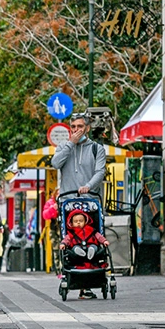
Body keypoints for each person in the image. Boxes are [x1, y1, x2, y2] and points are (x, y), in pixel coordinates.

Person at [51, 111, 107, 298]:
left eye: (80, 127)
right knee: (71, 239)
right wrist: (71, 144)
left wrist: (88, 186)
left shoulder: (96, 149)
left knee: (90, 238)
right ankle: (70, 275)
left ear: (87, 129)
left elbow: (100, 172)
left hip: (90, 202)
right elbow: (56, 163)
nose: (76, 130)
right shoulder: (63, 147)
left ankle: (89, 283)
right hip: (69, 203)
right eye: (73, 127)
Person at [59, 210, 109, 277]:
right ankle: (79, 252)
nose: (78, 223)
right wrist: (63, 244)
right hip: (77, 248)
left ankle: (91, 251)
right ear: (71, 223)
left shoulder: (90, 229)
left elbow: (98, 236)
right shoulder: (71, 233)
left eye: (81, 221)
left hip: (90, 246)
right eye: (76, 222)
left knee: (94, 246)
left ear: (85, 222)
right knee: (74, 248)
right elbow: (66, 239)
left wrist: (104, 241)